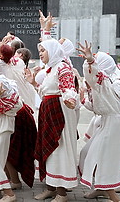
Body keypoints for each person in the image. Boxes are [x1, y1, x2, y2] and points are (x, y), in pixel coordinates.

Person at [25, 39, 78, 202]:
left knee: (59, 149)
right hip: (48, 110)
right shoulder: (51, 68)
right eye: (39, 50)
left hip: (59, 111)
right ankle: (50, 187)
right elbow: (45, 91)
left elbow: (68, 87)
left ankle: (61, 193)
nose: (40, 53)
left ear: (53, 50)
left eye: (43, 50)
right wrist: (33, 82)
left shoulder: (62, 67)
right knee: (48, 148)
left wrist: (70, 99)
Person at [77, 44, 120, 202]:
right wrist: (83, 98)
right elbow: (95, 106)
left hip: (114, 123)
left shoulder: (104, 82)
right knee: (87, 153)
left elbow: (95, 74)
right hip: (109, 121)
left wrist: (90, 60)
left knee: (106, 158)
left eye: (98, 60)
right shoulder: (101, 85)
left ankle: (112, 195)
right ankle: (101, 188)